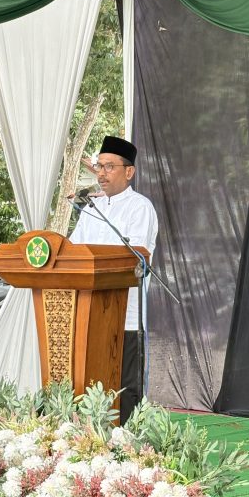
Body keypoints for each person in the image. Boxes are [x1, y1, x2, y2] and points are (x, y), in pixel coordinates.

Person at [69, 135, 158, 423]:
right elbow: (72, 252)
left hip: (126, 315)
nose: (101, 174)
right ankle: (92, 439)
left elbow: (133, 258)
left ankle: (129, 442)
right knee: (92, 385)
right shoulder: (91, 209)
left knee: (125, 388)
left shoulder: (140, 207)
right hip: (90, 313)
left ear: (129, 172)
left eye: (109, 167)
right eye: (99, 166)